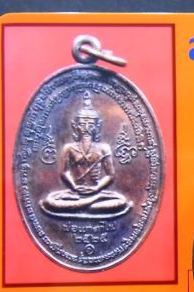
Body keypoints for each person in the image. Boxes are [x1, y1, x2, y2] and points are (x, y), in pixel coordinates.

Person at [40, 91, 131, 219]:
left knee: (121, 201)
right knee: (50, 201)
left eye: (91, 125)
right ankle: (87, 205)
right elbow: (64, 173)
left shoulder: (103, 148)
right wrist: (74, 187)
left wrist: (96, 189)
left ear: (97, 127)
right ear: (75, 126)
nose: (87, 128)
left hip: (96, 192)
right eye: (83, 124)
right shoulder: (69, 148)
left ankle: (81, 206)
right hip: (74, 194)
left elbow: (110, 175)